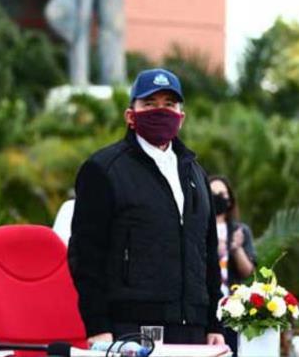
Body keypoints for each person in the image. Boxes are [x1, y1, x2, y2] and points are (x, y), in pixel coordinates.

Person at [68, 68, 225, 346]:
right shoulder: (103, 169)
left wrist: (213, 324)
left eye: (169, 104)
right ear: (131, 115)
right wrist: (97, 326)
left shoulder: (196, 174)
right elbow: (86, 255)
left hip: (193, 330)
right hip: (130, 329)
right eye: (150, 104)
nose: (160, 111)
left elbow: (208, 253)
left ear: (181, 116)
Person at [209, 175, 256, 355]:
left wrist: (235, 248)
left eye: (222, 193)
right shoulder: (199, 228)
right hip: (207, 307)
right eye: (213, 194)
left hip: (233, 309)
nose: (218, 198)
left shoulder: (240, 231)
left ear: (230, 199)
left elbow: (248, 272)